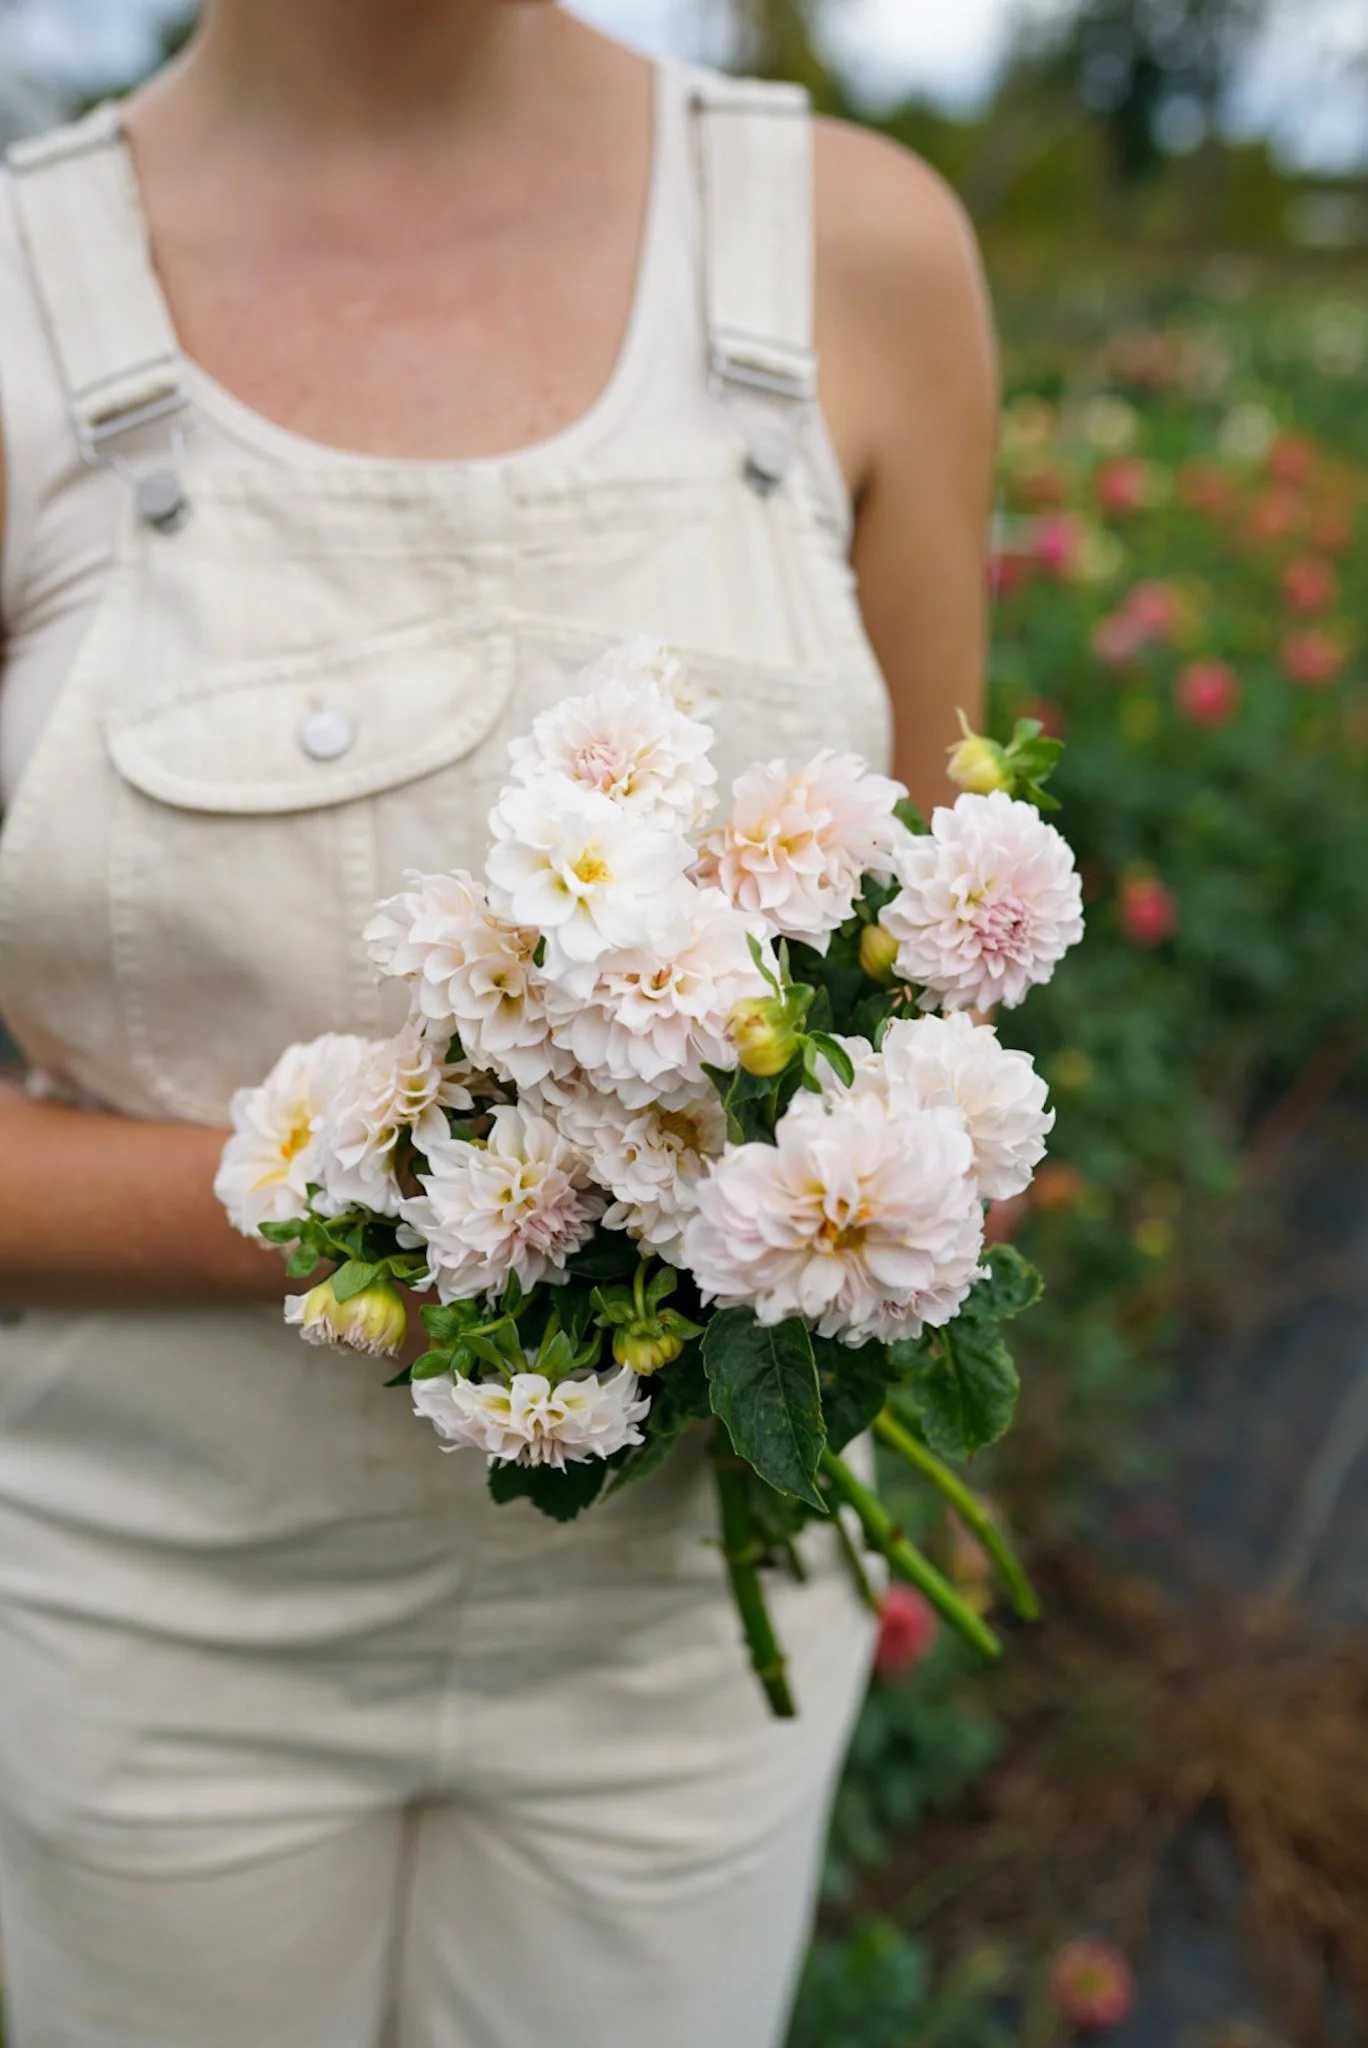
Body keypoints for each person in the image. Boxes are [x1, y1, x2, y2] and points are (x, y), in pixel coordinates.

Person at [0, 2, 996, 2042]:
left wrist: (865, 1186)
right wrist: (466, 1207)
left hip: (680, 1647)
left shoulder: (856, 248)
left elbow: (949, 965)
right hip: (143, 1616)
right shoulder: (25, 298)